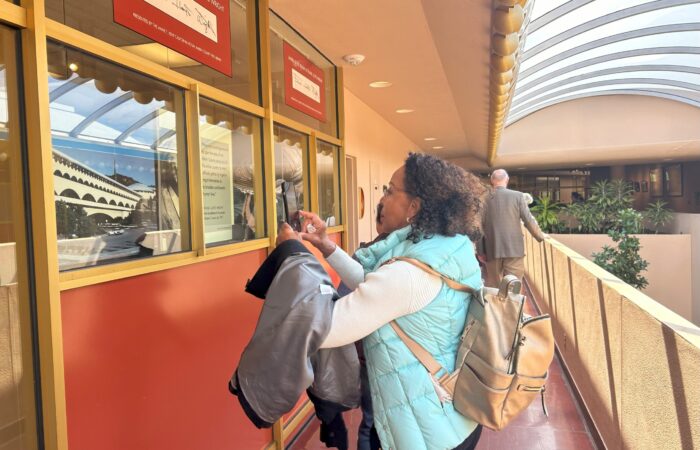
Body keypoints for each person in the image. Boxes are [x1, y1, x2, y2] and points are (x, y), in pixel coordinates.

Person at [277, 153, 487, 450]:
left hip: (424, 432)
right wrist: (326, 246)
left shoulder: (409, 273)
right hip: (449, 415)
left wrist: (292, 254)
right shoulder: (446, 247)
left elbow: (324, 328)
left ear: (414, 207)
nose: (382, 199)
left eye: (389, 190)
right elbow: (372, 285)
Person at [481, 169, 545, 288]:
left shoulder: (483, 197)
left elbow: (479, 225)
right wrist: (540, 236)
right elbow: (528, 219)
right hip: (514, 248)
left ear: (491, 181)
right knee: (514, 286)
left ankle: (497, 307)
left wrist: (480, 250)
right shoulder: (517, 196)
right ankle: (512, 306)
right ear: (507, 180)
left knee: (494, 287)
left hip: (492, 248)